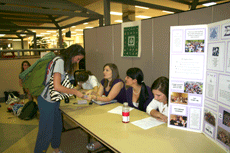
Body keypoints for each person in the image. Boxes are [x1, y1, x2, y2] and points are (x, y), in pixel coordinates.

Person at [34, 44, 86, 153]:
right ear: (72, 54)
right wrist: (75, 92)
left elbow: (64, 83)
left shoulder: (63, 62)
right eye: (78, 59)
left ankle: (56, 150)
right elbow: (57, 86)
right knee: (46, 131)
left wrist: (76, 90)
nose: (77, 62)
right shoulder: (60, 62)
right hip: (47, 101)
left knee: (57, 127)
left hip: (54, 100)